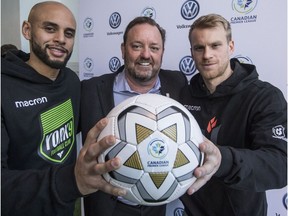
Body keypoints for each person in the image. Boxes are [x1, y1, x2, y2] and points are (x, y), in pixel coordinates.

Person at [1, 2, 125, 216]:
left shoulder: (71, 81)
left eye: (69, 33)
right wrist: (71, 180)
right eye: (50, 29)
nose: (61, 39)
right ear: (27, 30)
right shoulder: (5, 89)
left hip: (65, 207)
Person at [179, 13, 287, 216]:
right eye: (199, 48)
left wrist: (223, 159)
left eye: (215, 45)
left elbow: (280, 166)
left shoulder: (264, 97)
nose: (207, 55)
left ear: (231, 46)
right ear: (191, 52)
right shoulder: (183, 96)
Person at [80, 16, 188, 216]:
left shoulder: (178, 83)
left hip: (156, 206)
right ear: (123, 50)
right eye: (137, 46)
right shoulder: (90, 89)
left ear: (162, 51)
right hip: (107, 205)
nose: (146, 55)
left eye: (154, 48)